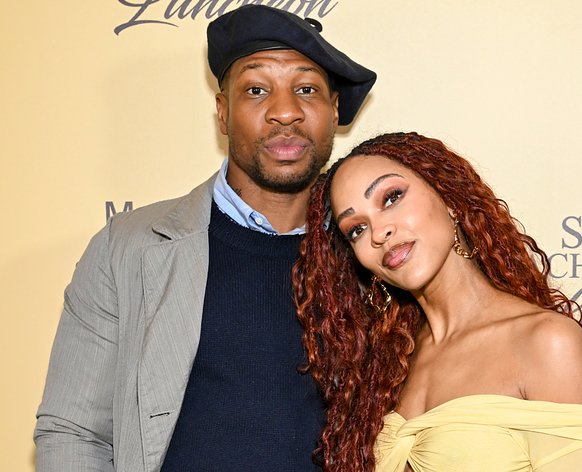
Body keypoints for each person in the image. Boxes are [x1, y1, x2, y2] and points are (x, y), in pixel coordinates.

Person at [33, 5, 376, 472]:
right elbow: (73, 434)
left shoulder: (373, 254)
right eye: (256, 90)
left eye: (307, 89)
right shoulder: (127, 249)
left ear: (335, 109)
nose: (284, 112)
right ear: (222, 112)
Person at [294, 132, 582, 472]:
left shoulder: (547, 342)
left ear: (447, 196)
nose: (378, 232)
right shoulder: (384, 364)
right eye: (356, 229)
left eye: (391, 197)